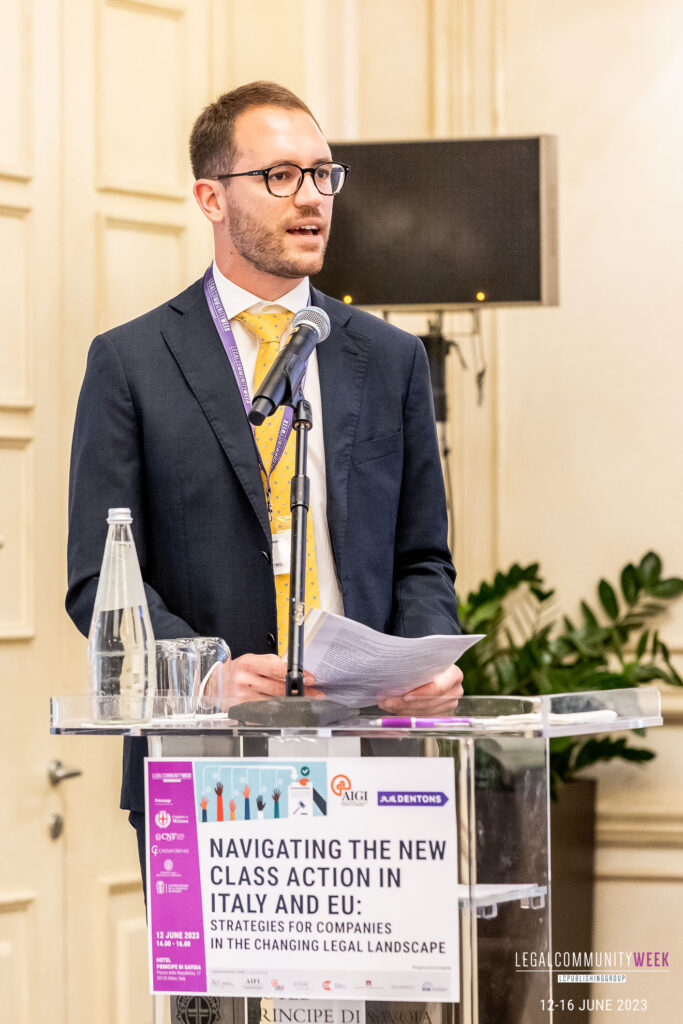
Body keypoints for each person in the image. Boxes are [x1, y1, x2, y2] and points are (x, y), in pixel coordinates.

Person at [66, 81, 463, 879]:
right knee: (220, 976)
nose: (311, 197)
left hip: (369, 758)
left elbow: (421, 557)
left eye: (322, 174)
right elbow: (99, 581)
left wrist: (424, 659)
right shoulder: (131, 362)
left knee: (368, 973)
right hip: (204, 761)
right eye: (280, 176)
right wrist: (205, 673)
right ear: (211, 198)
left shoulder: (388, 358)